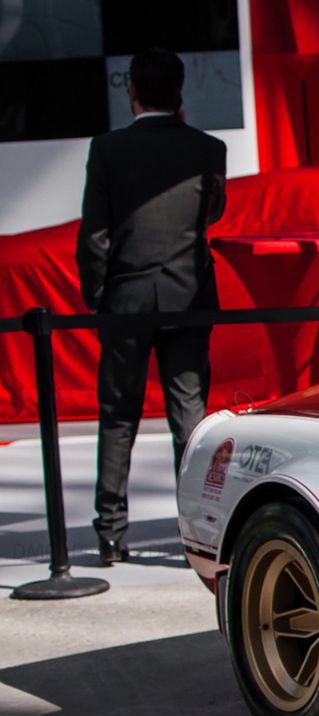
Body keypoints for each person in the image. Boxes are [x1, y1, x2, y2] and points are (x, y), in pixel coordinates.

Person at [75, 48, 226, 566]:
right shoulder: (208, 147)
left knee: (118, 417)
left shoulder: (108, 149)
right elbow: (215, 211)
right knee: (189, 415)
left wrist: (99, 297)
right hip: (188, 296)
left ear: (131, 90)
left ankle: (111, 535)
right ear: (181, 94)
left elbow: (93, 234)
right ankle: (193, 536)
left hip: (127, 300)